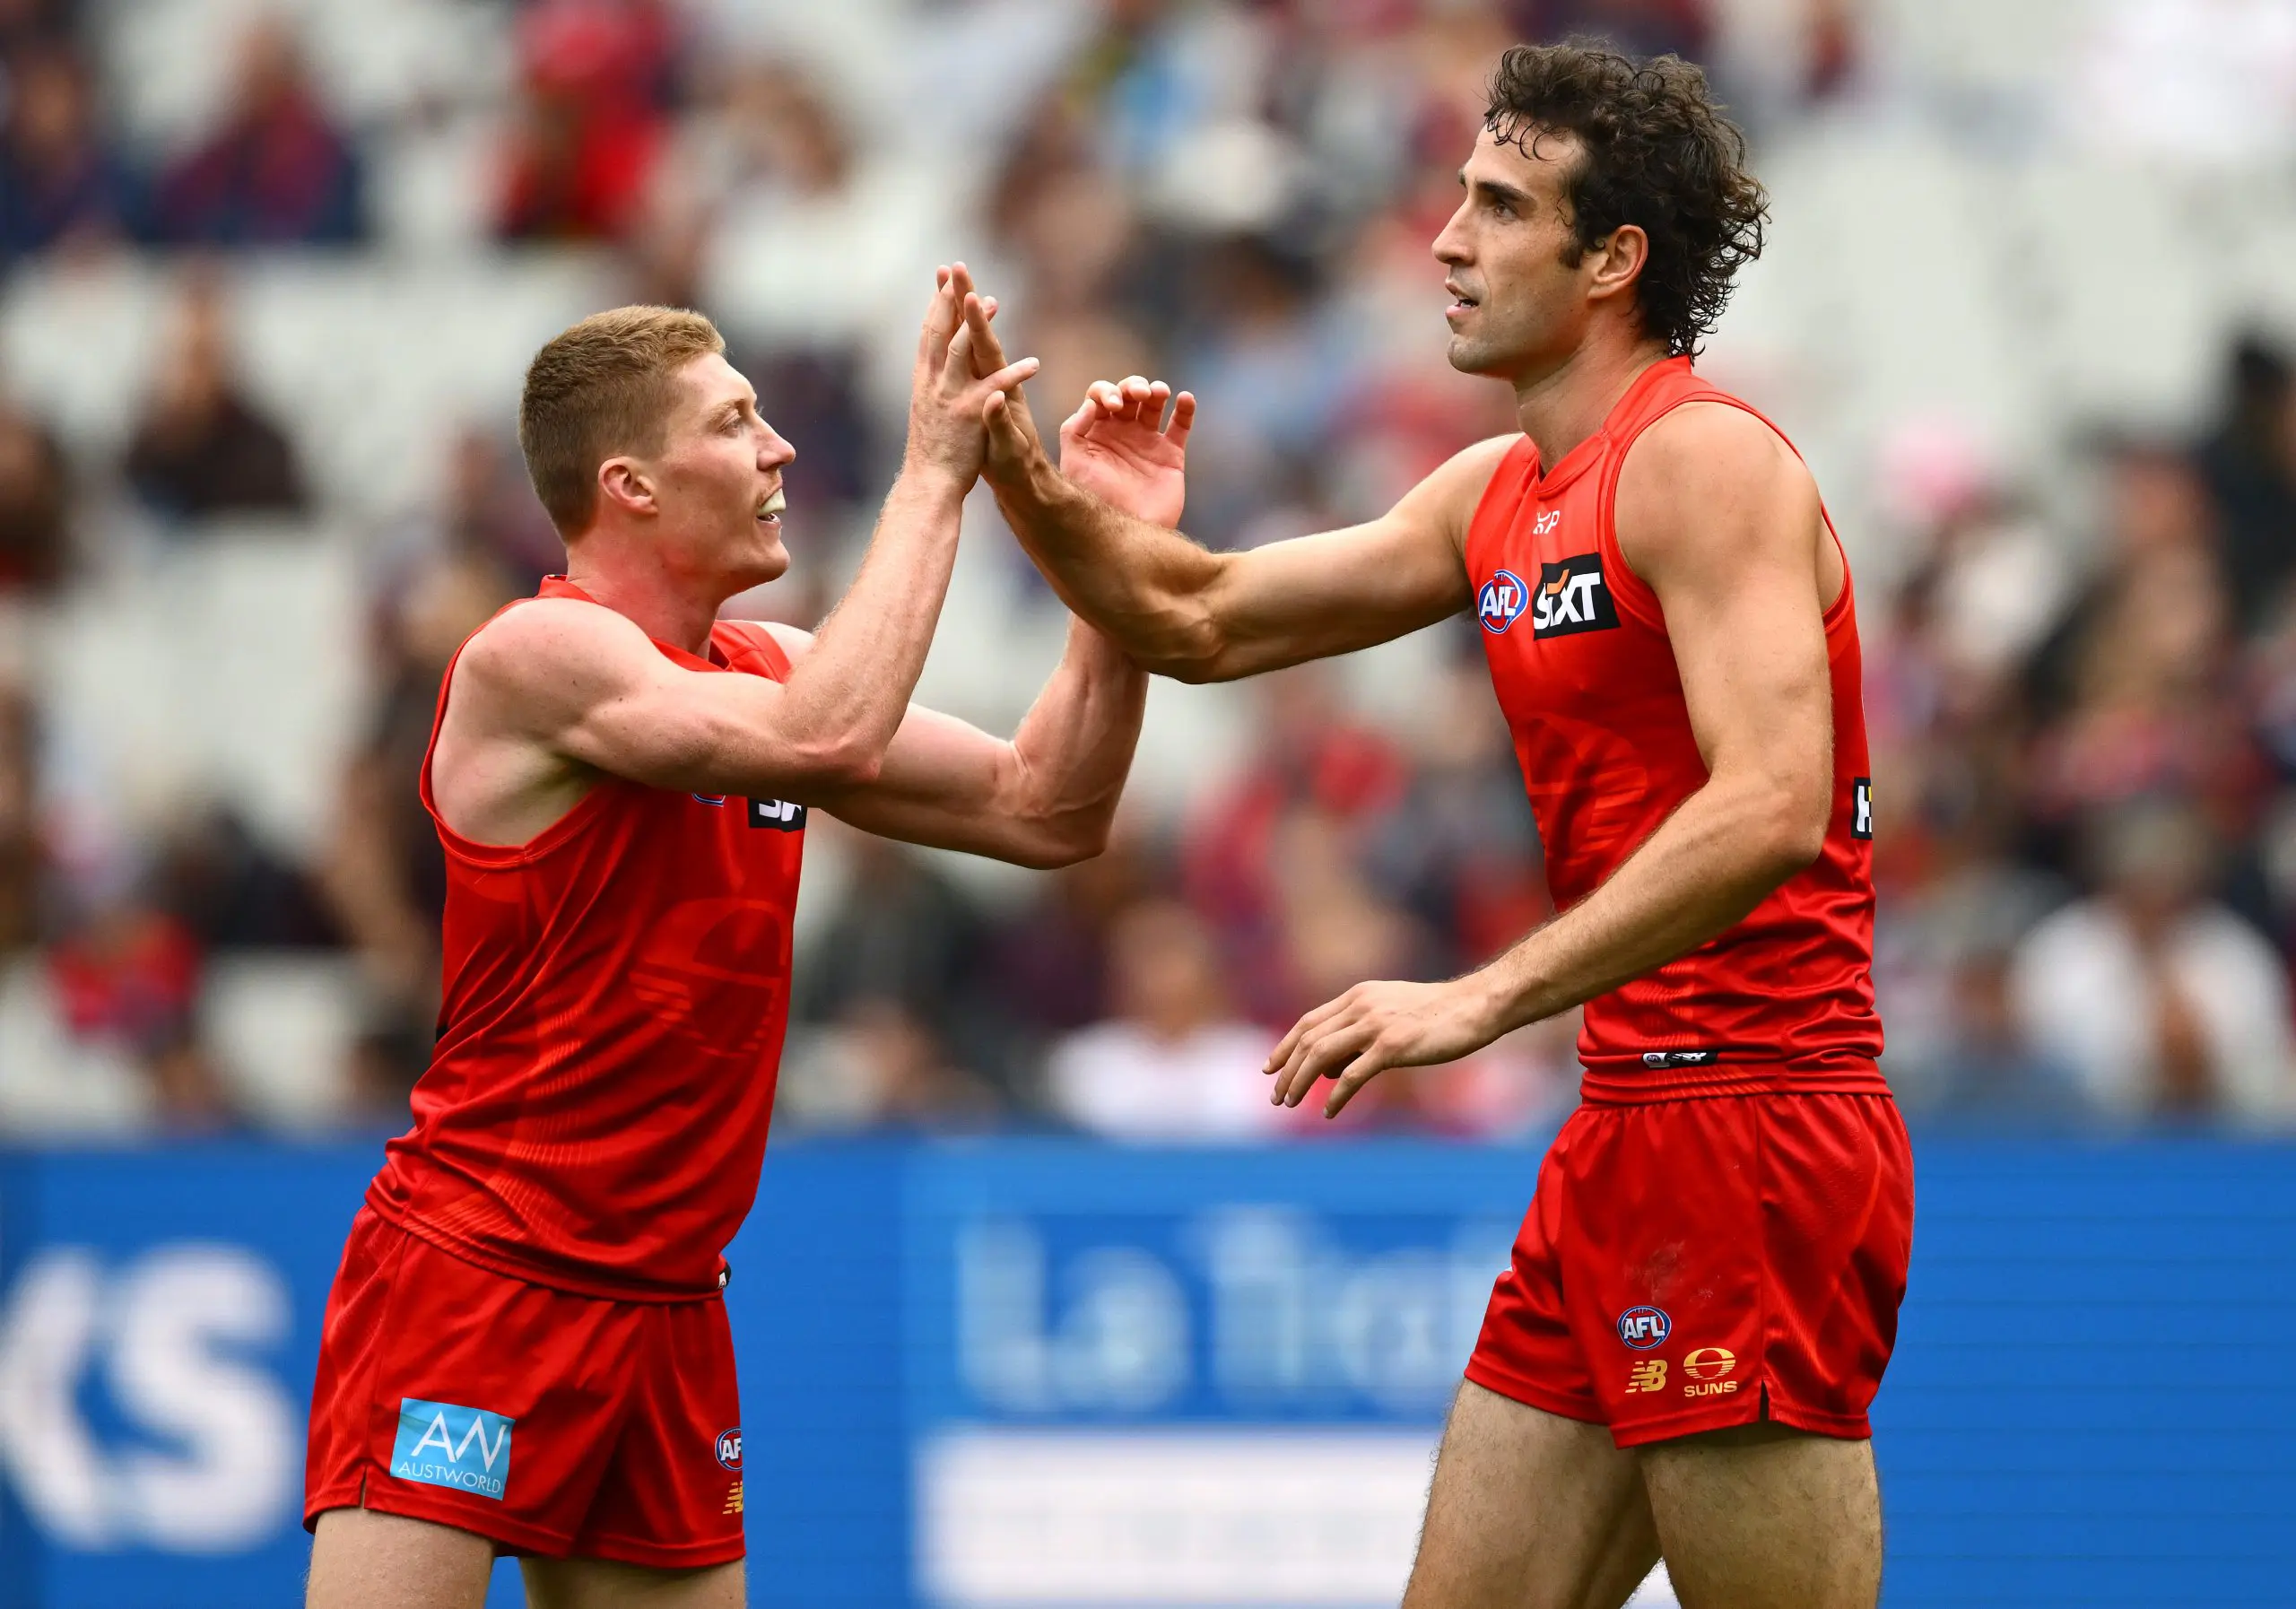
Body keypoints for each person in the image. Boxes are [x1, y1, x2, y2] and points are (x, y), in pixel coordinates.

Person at [977, 42, 1906, 1609]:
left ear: (1614, 260)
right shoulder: (1498, 488)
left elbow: (1771, 804)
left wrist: (1477, 995)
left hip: (1755, 1122)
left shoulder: (1707, 462)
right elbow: (1195, 617)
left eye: (1497, 206)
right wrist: (1016, 476)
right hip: (1625, 1124)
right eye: (1460, 194)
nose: (1445, 240)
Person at [301, 265, 1159, 1608]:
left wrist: (1120, 569)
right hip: (479, 1269)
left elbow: (1050, 807)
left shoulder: (765, 671)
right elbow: (827, 734)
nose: (779, 447)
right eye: (735, 420)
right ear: (631, 483)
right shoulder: (532, 656)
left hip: (669, 1307)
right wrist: (935, 467)